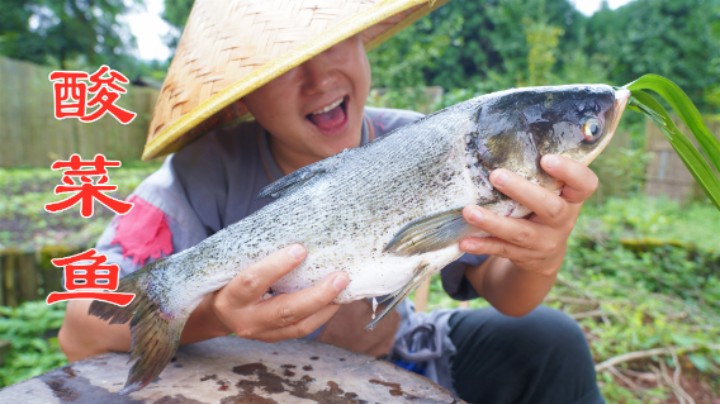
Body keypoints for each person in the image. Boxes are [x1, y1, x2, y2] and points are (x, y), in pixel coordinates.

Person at [59, 1, 604, 402]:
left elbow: (507, 296)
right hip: (246, 374)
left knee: (548, 337)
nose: (318, 77)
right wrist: (215, 314)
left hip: (396, 353)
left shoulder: (427, 142)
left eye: (333, 42)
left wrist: (545, 251)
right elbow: (79, 330)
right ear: (241, 93)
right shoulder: (198, 173)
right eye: (279, 64)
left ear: (363, 39)